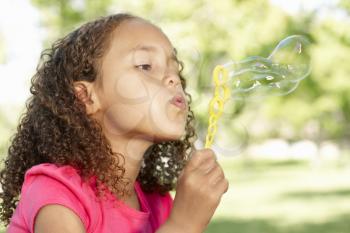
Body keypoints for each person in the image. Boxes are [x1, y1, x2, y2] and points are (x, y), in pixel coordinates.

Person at [0, 13, 229, 233]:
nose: (173, 78)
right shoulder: (57, 192)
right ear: (86, 97)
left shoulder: (159, 203)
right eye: (145, 66)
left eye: (175, 68)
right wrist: (183, 225)